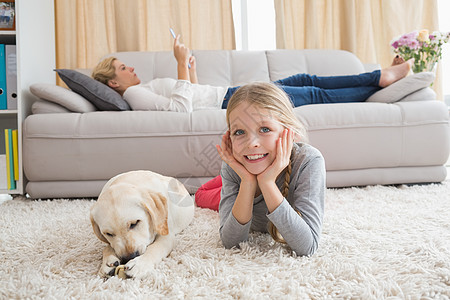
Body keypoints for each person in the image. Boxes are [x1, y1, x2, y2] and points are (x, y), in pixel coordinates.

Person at [92, 35, 413, 113]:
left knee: (305, 80)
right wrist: (178, 66)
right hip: (232, 101)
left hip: (232, 92)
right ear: (113, 82)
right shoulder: (132, 94)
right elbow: (179, 111)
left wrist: (189, 69)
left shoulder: (141, 86)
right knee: (312, 95)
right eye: (123, 68)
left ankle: (377, 77)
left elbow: (189, 94)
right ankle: (377, 83)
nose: (130, 68)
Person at [215, 81, 325, 256]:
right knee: (203, 196)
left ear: (289, 132)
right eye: (239, 132)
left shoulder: (309, 161)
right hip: (237, 179)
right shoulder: (233, 166)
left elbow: (307, 247)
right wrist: (247, 182)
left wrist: (267, 183)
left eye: (265, 129)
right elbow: (231, 243)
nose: (251, 144)